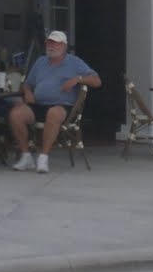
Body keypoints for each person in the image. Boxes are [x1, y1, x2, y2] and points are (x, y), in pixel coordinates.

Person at [8, 30, 100, 174]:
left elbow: (96, 81)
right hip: (38, 105)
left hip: (63, 106)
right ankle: (26, 156)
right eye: (50, 43)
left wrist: (78, 79)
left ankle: (43, 157)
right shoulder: (40, 61)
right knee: (16, 114)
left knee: (54, 113)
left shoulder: (74, 62)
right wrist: (28, 92)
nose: (52, 46)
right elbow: (27, 83)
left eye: (56, 44)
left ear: (64, 47)